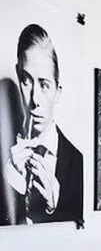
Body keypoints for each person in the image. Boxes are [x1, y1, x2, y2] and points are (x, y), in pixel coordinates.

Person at [3, 24, 82, 224]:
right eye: (26, 81)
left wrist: (54, 205)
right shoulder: (3, 159)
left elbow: (78, 229)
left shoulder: (76, 161)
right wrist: (10, 184)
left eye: (44, 84)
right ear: (18, 74)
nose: (35, 99)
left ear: (58, 92)